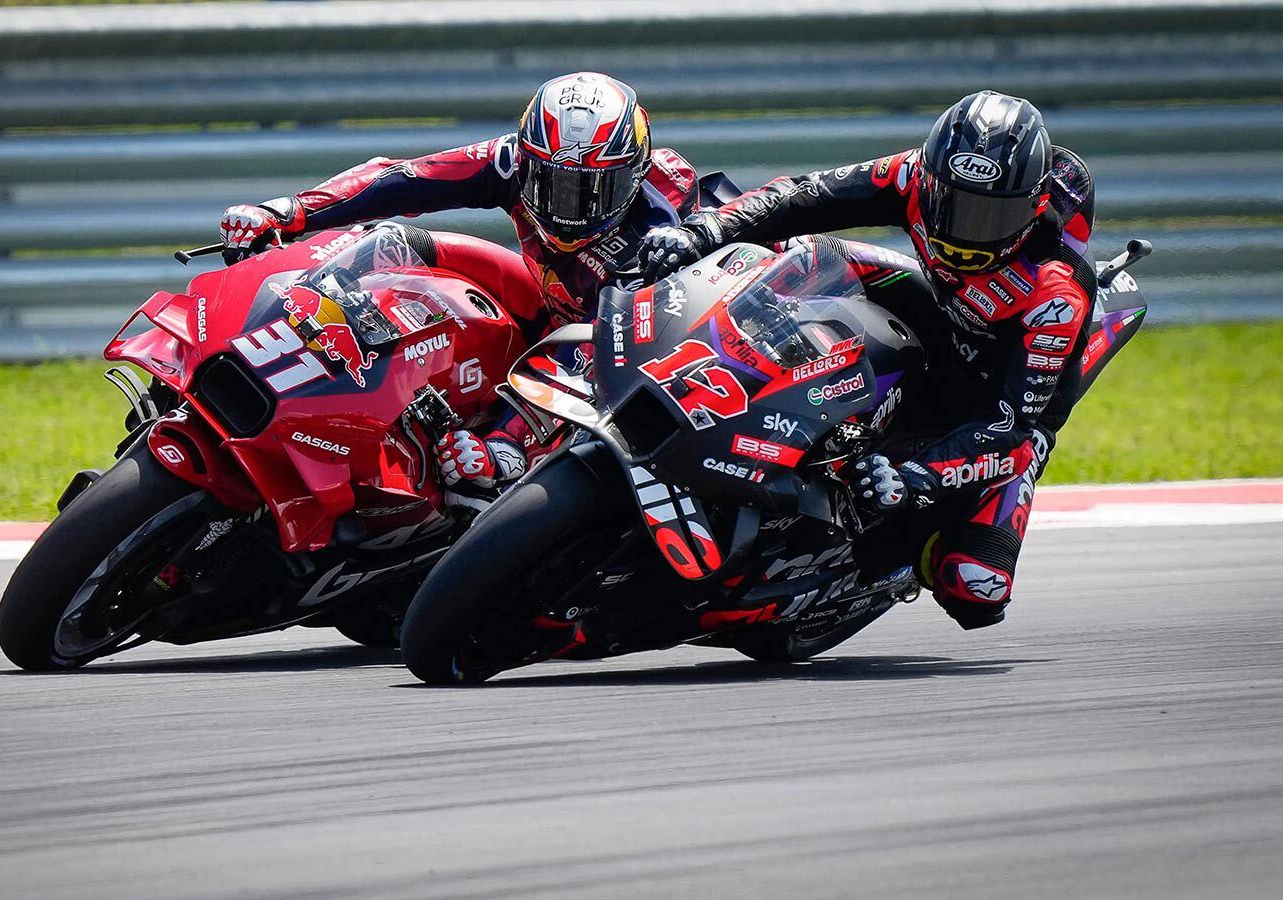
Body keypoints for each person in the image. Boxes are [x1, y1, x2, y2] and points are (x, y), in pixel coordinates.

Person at [639, 90, 1096, 630]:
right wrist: (705, 231)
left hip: (1003, 400)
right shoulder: (909, 177)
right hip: (941, 316)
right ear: (929, 179)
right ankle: (715, 374)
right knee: (805, 253)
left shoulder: (1055, 295)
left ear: (1033, 207)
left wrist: (914, 478)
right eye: (954, 204)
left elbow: (1009, 433)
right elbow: (803, 195)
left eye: (989, 215)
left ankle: (893, 566)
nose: (965, 230)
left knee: (976, 584)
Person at [218, 72, 700, 501]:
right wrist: (289, 211)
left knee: (520, 439)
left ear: (633, 178)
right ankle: (270, 341)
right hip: (543, 300)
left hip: (617, 358)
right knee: (394, 243)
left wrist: (506, 443)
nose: (566, 209)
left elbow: (600, 354)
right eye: (550, 182)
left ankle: (507, 455)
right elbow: (404, 178)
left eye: (593, 190)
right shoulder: (512, 160)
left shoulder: (658, 228)